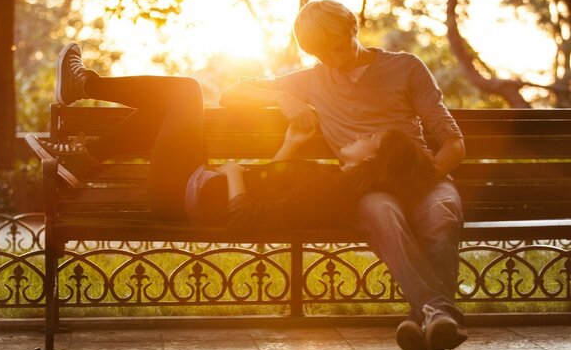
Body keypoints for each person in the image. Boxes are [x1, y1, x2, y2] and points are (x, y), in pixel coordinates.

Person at [219, 0, 467, 350]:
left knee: (441, 214)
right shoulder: (310, 79)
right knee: (382, 210)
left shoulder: (405, 67)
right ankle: (439, 317)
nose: (331, 59)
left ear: (354, 28)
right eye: (320, 53)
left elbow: (454, 143)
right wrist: (283, 97)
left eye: (336, 46)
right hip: (366, 187)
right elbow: (231, 94)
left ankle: (430, 324)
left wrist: (423, 177)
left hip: (426, 178)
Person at [35, 44, 438, 234]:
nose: (362, 135)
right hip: (195, 183)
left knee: (186, 92)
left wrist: (233, 177)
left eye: (370, 138)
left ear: (371, 160)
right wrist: (293, 144)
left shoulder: (329, 191)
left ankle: (85, 86)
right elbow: (273, 187)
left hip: (180, 195)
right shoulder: (333, 184)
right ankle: (86, 155)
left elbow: (249, 220)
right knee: (172, 104)